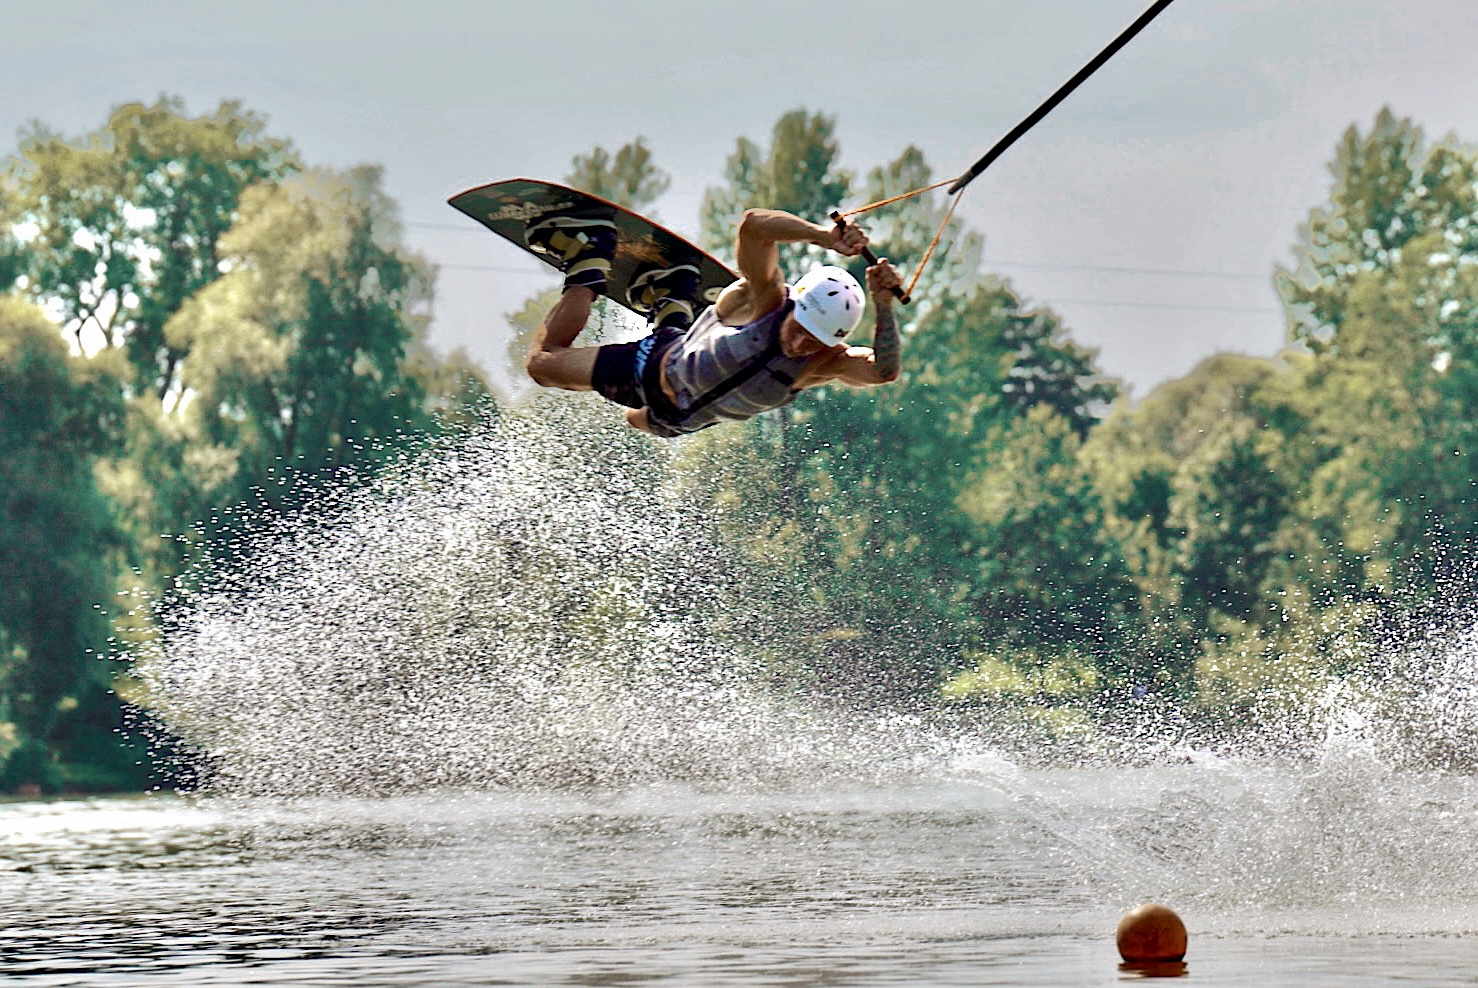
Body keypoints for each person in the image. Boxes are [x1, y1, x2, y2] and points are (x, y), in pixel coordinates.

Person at [522, 206, 905, 438]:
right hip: (651, 368)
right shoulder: (769, 300)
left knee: (633, 420)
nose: (802, 345)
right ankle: (591, 257)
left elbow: (883, 370)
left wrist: (884, 305)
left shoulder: (825, 363)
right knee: (541, 365)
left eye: (816, 341)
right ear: (795, 306)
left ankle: (672, 296)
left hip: (681, 419)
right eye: (801, 329)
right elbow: (754, 227)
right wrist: (822, 237)